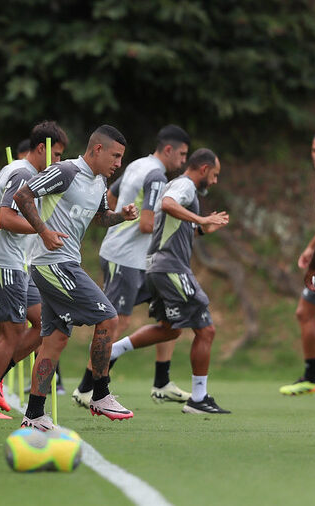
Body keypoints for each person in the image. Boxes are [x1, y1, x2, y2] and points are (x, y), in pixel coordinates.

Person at [13, 125, 138, 429]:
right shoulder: (65, 171)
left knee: (55, 340)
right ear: (97, 149)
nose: (119, 163)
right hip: (54, 264)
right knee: (108, 318)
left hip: (64, 264)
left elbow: (100, 218)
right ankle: (100, 393)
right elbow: (22, 194)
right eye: (115, 156)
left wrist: (121, 216)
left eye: (121, 157)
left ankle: (34, 414)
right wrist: (44, 231)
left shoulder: (100, 181)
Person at [72, 125, 192, 408]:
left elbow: (110, 198)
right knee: (116, 321)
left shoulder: (138, 165)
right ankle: (86, 388)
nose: (183, 161)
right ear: (168, 150)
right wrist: (182, 225)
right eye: (182, 154)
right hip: (124, 258)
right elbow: (147, 224)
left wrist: (116, 222)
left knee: (171, 315)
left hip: (143, 261)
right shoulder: (156, 176)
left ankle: (162, 382)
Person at [105, 148, 231, 414]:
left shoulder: (175, 184)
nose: (215, 181)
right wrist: (201, 218)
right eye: (215, 175)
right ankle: (199, 398)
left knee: (170, 329)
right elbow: (167, 204)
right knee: (206, 330)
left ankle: (114, 350)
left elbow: (172, 226)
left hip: (156, 267)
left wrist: (202, 229)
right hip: (171, 268)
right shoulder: (184, 186)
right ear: (204, 169)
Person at [0, 121, 67, 419]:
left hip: (17, 263)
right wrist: (42, 230)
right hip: (4, 264)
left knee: (46, 323)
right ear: (41, 148)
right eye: (57, 155)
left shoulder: (12, 168)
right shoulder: (23, 174)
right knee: (12, 335)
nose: (58, 161)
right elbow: (5, 219)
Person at [283, 131, 315, 395]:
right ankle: (310, 377)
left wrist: (312, 267)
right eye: (314, 150)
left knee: (304, 312)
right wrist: (311, 247)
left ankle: (310, 377)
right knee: (304, 312)